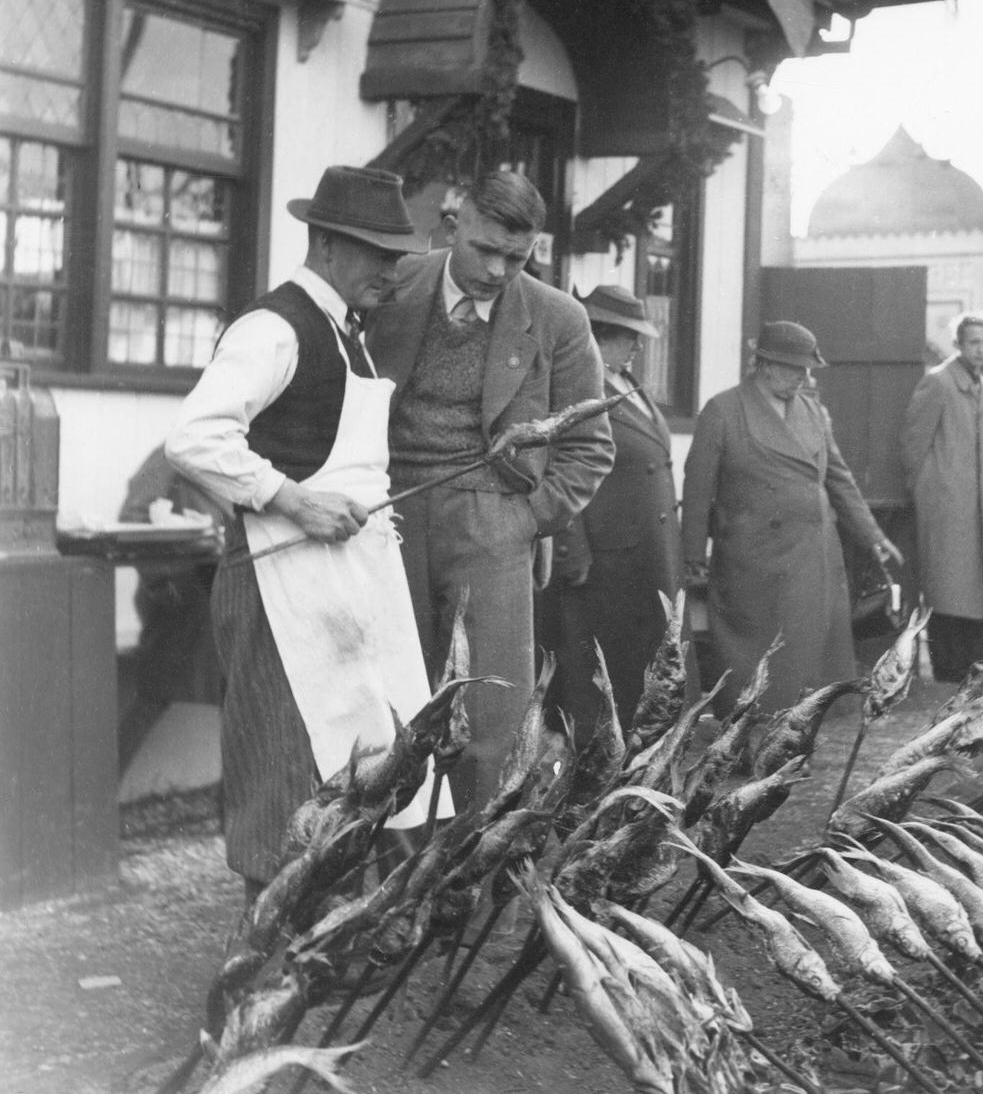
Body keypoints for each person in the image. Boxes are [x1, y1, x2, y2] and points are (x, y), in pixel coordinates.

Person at [165, 165, 439, 894]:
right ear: (324, 244)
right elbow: (194, 438)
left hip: (344, 583)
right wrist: (293, 499)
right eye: (376, 251)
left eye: (396, 253)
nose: (392, 268)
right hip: (276, 581)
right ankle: (259, 980)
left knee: (354, 766)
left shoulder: (348, 330)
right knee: (281, 775)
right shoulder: (274, 329)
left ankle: (327, 948)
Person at [365, 170, 613, 802]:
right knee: (392, 705)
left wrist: (527, 519)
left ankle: (477, 885)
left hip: (492, 521)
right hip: (387, 517)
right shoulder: (394, 284)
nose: (500, 270)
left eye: (518, 257)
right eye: (486, 250)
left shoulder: (558, 318)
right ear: (453, 228)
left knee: (492, 717)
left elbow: (590, 445)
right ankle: (396, 877)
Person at [681, 320, 902, 714]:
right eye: (794, 368)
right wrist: (693, 554)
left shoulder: (813, 412)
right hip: (753, 558)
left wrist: (873, 535)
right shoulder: (724, 410)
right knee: (758, 659)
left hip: (813, 557)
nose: (803, 377)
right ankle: (749, 736)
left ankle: (797, 735)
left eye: (807, 369)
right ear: (765, 364)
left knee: (808, 659)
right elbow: (697, 490)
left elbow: (839, 477)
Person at [537, 285, 681, 736]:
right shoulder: (578, 386)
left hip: (645, 554)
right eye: (628, 336)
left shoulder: (628, 385)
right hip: (604, 559)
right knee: (599, 675)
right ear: (598, 336)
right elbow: (559, 465)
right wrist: (570, 545)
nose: (638, 345)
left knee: (645, 669)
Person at [899, 312, 983, 683]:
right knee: (948, 595)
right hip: (946, 513)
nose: (981, 350)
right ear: (957, 343)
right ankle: (946, 675)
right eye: (974, 342)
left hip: (979, 514)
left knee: (978, 598)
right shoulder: (939, 383)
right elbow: (912, 447)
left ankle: (971, 674)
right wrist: (932, 495)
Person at [116, 445, 229, 772]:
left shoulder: (238, 454)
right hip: (180, 596)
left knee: (237, 707)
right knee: (153, 696)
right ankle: (94, 797)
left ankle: (233, 811)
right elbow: (133, 516)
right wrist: (161, 578)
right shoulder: (174, 452)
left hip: (224, 593)